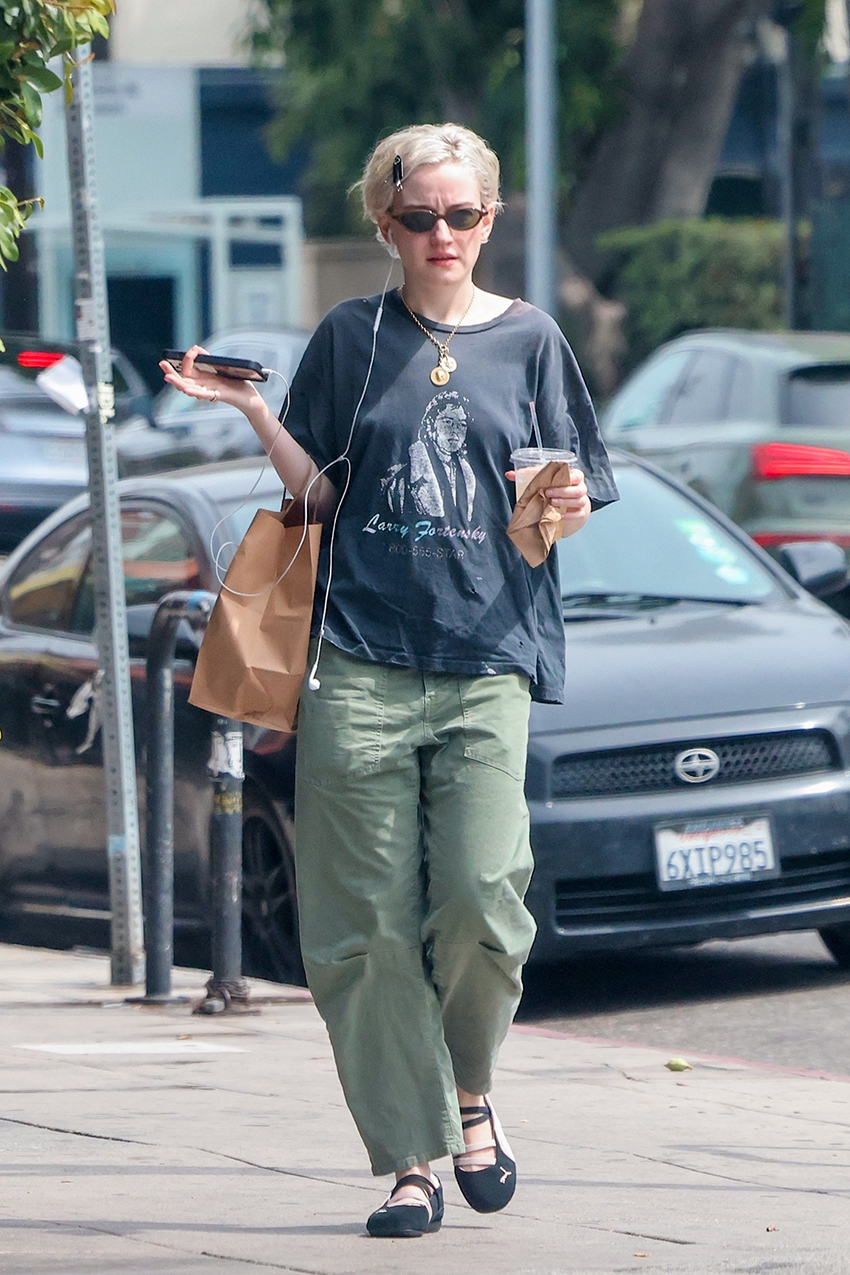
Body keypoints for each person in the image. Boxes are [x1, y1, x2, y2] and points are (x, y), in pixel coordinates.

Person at [160, 122, 618, 1239]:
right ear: (385, 225)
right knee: (362, 926)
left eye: (463, 215)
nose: (442, 234)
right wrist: (259, 414)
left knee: (478, 901)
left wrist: (558, 505)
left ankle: (471, 1092)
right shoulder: (352, 335)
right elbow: (318, 500)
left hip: (487, 658)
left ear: (491, 218)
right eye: (419, 217)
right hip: (359, 661)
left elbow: (575, 491)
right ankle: (412, 1158)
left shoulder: (533, 340)